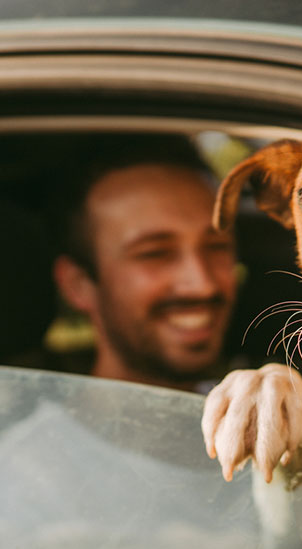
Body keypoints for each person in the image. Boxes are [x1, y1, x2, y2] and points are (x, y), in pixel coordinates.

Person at [52, 134, 238, 390]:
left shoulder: (260, 410)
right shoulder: (42, 432)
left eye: (217, 246)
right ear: (78, 285)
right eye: (155, 253)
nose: (202, 284)